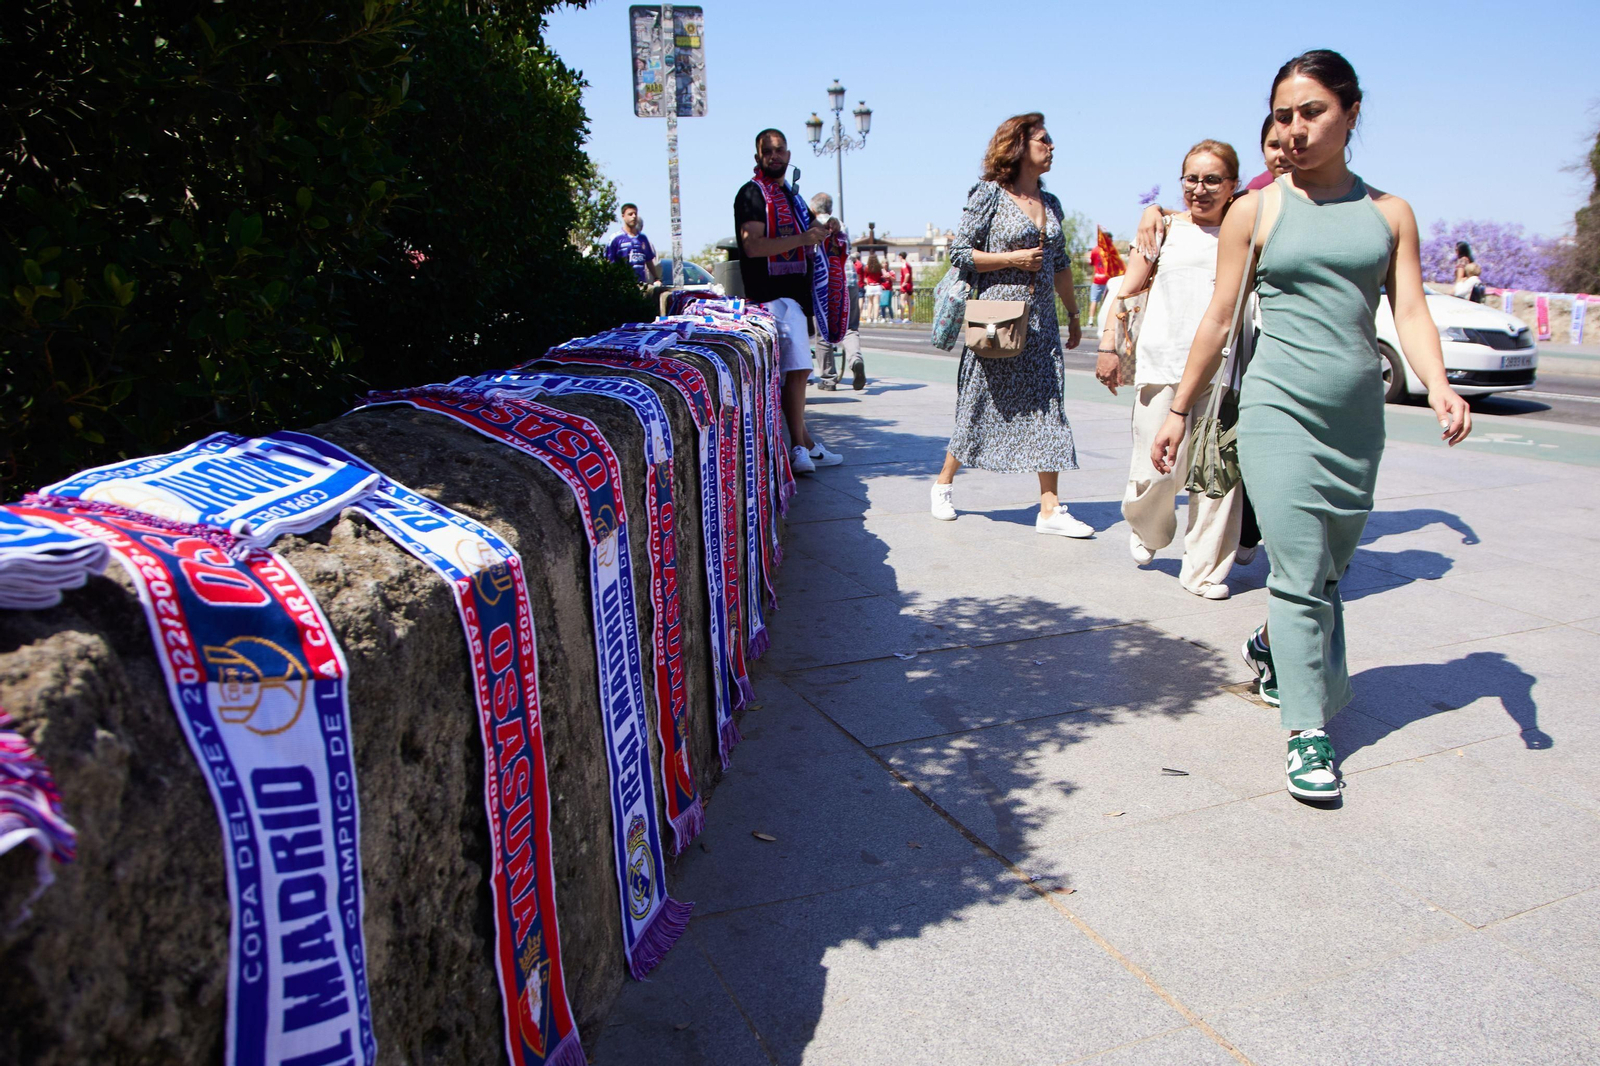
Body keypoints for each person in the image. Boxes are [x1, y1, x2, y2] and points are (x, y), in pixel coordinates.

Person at [1149, 50, 1472, 801]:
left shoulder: (1390, 214)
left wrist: (1441, 385)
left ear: (1352, 113)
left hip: (1356, 420)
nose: (1294, 130)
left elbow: (1412, 311)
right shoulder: (1255, 210)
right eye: (1284, 116)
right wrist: (1177, 409)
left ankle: (1271, 646)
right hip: (1276, 410)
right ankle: (1308, 731)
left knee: (1325, 573)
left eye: (1312, 113)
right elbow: (1219, 319)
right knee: (1299, 573)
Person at [1096, 139, 1245, 600]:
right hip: (1161, 364)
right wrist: (1109, 345)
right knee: (1156, 470)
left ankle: (1203, 572)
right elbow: (1127, 288)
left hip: (1222, 371)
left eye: (1212, 180)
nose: (1200, 189)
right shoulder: (1162, 229)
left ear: (1233, 185)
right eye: (1192, 179)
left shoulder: (1246, 231)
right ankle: (1150, 529)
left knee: (1217, 478)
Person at [932, 112, 1088, 537]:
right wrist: (1011, 260)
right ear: (1019, 146)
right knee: (980, 402)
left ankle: (1050, 509)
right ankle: (944, 484)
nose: (1052, 147)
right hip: (996, 320)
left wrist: (1073, 315)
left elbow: (1060, 266)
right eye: (1043, 140)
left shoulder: (1051, 203)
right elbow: (960, 253)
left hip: (1040, 324)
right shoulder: (990, 195)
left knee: (1048, 406)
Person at [734, 128, 845, 474]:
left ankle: (806, 443)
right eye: (768, 151)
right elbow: (752, 245)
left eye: (780, 150)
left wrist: (829, 231)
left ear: (789, 154)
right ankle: (798, 448)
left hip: (794, 299)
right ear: (758, 158)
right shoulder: (752, 194)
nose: (775, 156)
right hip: (772, 299)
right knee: (798, 371)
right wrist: (803, 237)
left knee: (795, 373)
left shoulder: (792, 198)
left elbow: (814, 232)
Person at [809, 192, 867, 391]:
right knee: (850, 327)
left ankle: (828, 379)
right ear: (831, 209)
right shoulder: (842, 224)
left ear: (814, 209)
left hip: (824, 281)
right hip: (848, 278)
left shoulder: (812, 224)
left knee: (823, 331)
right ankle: (855, 360)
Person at [604, 203, 659, 284]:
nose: (633, 216)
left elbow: (649, 260)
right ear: (623, 216)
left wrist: (656, 278)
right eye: (630, 214)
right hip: (622, 285)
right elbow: (608, 262)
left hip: (641, 285)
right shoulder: (615, 238)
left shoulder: (643, 238)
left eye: (635, 214)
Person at [862, 254, 884, 324]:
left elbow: (865, 278)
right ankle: (875, 319)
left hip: (870, 286)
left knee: (870, 303)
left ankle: (869, 318)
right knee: (876, 303)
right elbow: (881, 276)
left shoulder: (867, 267)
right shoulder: (879, 267)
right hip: (877, 286)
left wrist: (867, 282)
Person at [896, 252, 915, 322]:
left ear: (901, 257)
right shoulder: (908, 265)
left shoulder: (904, 265)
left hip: (905, 286)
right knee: (909, 302)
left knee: (902, 301)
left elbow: (907, 274)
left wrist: (904, 282)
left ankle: (901, 318)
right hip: (910, 285)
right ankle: (909, 318)